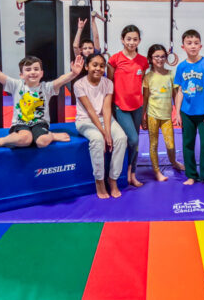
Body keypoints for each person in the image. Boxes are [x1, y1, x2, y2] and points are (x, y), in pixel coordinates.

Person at [0, 43, 83, 150]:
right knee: (25, 139)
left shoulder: (46, 88)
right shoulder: (16, 85)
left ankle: (51, 135)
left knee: (42, 142)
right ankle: (2, 140)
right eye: (28, 70)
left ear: (41, 73)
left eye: (36, 69)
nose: (32, 72)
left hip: (40, 123)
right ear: (21, 75)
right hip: (20, 123)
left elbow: (60, 80)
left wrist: (73, 73)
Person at [74, 53, 127, 199]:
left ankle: (113, 179)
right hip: (85, 120)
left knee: (121, 138)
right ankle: (99, 181)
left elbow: (107, 109)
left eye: (101, 66)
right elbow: (90, 110)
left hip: (105, 119)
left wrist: (108, 132)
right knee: (97, 140)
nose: (98, 68)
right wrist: (103, 133)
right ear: (86, 66)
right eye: (94, 65)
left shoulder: (108, 83)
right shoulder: (79, 84)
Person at [174, 29, 204, 187]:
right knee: (188, 144)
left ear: (201, 45)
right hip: (187, 112)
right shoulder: (181, 67)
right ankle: (191, 175)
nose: (192, 46)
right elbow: (179, 90)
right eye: (189, 43)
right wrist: (177, 112)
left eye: (196, 43)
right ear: (183, 46)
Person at [108, 25, 149, 187]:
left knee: (136, 142)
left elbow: (141, 82)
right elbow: (110, 84)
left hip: (137, 106)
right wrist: (110, 107)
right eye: (129, 39)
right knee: (132, 139)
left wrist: (144, 112)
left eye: (135, 39)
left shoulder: (143, 61)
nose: (132, 42)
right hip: (120, 105)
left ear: (139, 40)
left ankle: (132, 173)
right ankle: (123, 171)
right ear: (122, 40)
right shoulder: (115, 59)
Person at [142, 44, 185, 182]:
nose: (160, 59)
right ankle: (157, 171)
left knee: (170, 144)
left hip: (166, 116)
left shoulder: (171, 74)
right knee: (153, 144)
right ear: (150, 58)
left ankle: (173, 162)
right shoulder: (148, 77)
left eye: (162, 56)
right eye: (156, 57)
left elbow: (175, 95)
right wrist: (143, 116)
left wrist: (177, 113)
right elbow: (145, 97)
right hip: (152, 115)